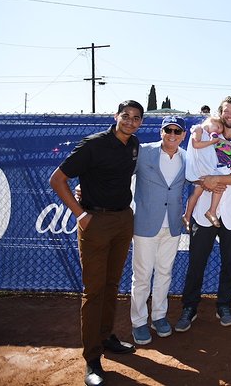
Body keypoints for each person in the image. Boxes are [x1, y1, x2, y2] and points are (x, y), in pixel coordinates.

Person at [49, 100, 143, 386]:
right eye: (125, 116)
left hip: (123, 220)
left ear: (140, 123)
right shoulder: (92, 144)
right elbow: (57, 179)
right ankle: (92, 358)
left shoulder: (134, 145)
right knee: (94, 290)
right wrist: (80, 214)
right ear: (116, 117)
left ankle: (105, 337)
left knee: (112, 284)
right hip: (96, 223)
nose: (130, 122)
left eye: (136, 118)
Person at [175, 96, 231, 331]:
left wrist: (216, 179)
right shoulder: (205, 134)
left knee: (229, 262)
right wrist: (207, 181)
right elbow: (192, 170)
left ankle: (224, 305)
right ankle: (189, 307)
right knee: (197, 262)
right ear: (220, 114)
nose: (229, 114)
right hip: (204, 212)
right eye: (225, 110)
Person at [130, 116, 188, 345]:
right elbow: (119, 172)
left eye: (177, 131)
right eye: (168, 130)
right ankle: (138, 322)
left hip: (172, 225)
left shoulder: (186, 157)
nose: (172, 135)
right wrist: (86, 186)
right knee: (142, 276)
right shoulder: (144, 152)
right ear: (161, 132)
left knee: (164, 273)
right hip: (145, 224)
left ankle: (159, 316)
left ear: (183, 135)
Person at [183, 115, 231, 228]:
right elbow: (196, 144)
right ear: (210, 121)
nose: (218, 131)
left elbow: (221, 141)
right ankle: (203, 212)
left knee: (198, 192)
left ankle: (195, 214)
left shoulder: (212, 137)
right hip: (199, 169)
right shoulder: (198, 129)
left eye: (220, 131)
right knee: (219, 181)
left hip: (206, 170)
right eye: (218, 127)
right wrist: (211, 141)